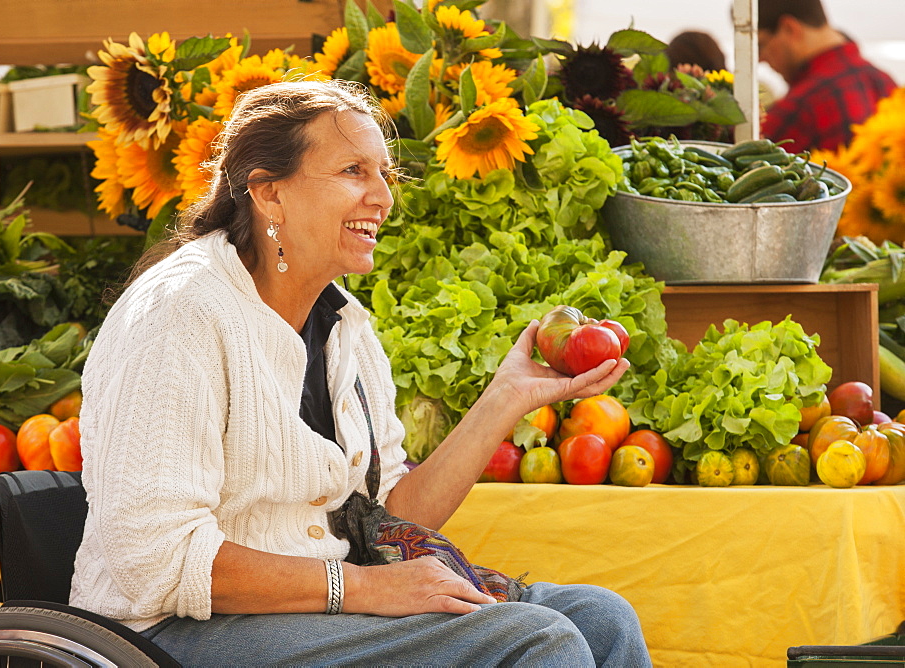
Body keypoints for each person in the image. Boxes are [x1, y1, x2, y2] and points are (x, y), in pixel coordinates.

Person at [68, 79, 651, 667]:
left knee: (602, 619)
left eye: (384, 174)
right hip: (168, 635)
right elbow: (154, 559)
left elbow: (387, 516)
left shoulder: (345, 322)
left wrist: (506, 398)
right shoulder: (180, 313)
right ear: (270, 194)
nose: (383, 197)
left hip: (305, 614)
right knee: (536, 643)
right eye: (353, 171)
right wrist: (363, 588)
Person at [757, 0, 897, 152]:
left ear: (789, 28)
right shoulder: (886, 82)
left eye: (760, 45)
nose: (759, 59)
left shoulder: (800, 107)